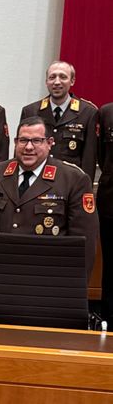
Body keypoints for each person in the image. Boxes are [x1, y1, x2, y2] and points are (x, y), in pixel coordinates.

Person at [0, 117, 99, 283]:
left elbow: (84, 240)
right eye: (23, 140)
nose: (29, 147)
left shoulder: (73, 179)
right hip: (0, 274)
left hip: (48, 277)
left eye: (37, 141)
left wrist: (76, 284)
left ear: (50, 143)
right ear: (15, 142)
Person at [19, 61, 98, 176]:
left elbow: (89, 158)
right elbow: (21, 151)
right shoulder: (30, 111)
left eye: (63, 77)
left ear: (72, 81)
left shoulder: (87, 113)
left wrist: (85, 185)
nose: (57, 82)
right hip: (35, 179)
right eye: (52, 77)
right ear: (46, 82)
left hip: (70, 180)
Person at [97, 101, 113, 320]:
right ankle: (109, 321)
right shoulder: (107, 112)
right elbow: (102, 156)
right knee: (110, 266)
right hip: (111, 201)